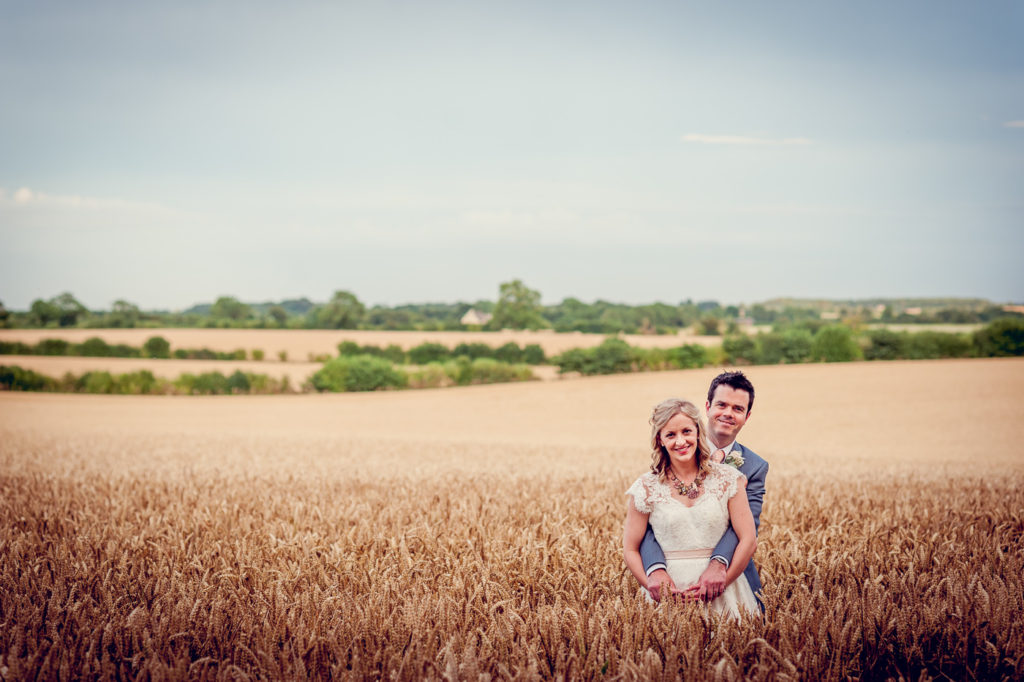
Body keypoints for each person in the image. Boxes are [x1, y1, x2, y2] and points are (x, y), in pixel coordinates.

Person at [640, 371, 768, 609]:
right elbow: (647, 525)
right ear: (708, 407)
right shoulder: (673, 451)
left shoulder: (755, 467)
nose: (728, 413)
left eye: (737, 409)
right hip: (671, 582)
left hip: (728, 578)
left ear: (747, 416)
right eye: (721, 405)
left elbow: (745, 528)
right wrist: (655, 568)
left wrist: (719, 565)